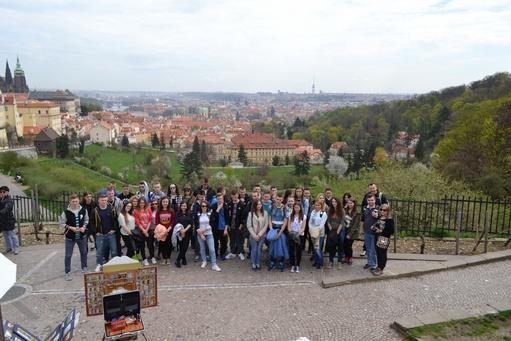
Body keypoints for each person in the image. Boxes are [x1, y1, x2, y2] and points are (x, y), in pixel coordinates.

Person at [60, 193, 89, 280]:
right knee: (68, 255)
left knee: (84, 252)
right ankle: (67, 272)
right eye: (73, 201)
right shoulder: (65, 212)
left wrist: (84, 227)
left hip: (82, 236)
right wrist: (70, 227)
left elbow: (86, 220)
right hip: (70, 237)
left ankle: (84, 267)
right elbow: (61, 223)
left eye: (76, 201)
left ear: (79, 201)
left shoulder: (84, 210)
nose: (75, 203)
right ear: (70, 201)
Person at [91, 194, 119, 272]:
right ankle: (99, 265)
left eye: (105, 200)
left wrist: (114, 229)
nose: (104, 202)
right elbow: (92, 223)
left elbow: (116, 220)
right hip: (100, 235)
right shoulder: (95, 211)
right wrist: (95, 232)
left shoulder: (112, 209)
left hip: (111, 234)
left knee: (114, 250)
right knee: (99, 251)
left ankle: (114, 265)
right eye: (102, 200)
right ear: (99, 201)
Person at [360, 183, 387, 257]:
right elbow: (363, 205)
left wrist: (379, 214)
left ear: (376, 188)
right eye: (370, 188)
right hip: (369, 220)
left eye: (373, 188)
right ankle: (366, 251)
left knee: (377, 240)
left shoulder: (381, 196)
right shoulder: (367, 195)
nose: (372, 189)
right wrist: (364, 213)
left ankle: (378, 255)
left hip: (379, 221)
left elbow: (386, 207)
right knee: (368, 238)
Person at [195, 202, 221, 271]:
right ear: (201, 207)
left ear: (207, 207)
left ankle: (214, 264)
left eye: (205, 206)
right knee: (202, 249)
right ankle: (204, 261)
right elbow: (196, 225)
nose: (204, 207)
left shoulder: (210, 214)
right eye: (202, 206)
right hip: (200, 234)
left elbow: (211, 224)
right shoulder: (198, 214)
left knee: (212, 250)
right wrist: (201, 234)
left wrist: (203, 231)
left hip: (209, 234)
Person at [268, 194, 289, 272]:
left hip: (281, 229)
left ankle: (280, 261)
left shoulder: (285, 208)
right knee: (272, 245)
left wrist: (280, 232)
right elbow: (269, 219)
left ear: (282, 200)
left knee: (281, 244)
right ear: (275, 199)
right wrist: (271, 230)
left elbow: (285, 221)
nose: (278, 201)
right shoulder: (271, 207)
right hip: (273, 228)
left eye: (280, 199)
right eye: (277, 199)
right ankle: (272, 261)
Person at [246, 199, 269, 270]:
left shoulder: (265, 213)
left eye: (260, 204)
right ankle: (253, 263)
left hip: (261, 235)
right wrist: (254, 235)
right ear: (255, 205)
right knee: (254, 249)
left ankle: (258, 263)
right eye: (257, 204)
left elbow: (266, 225)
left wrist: (259, 235)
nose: (259, 206)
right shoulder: (251, 214)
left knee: (259, 249)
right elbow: (249, 226)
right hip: (253, 235)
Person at [134, 197, 156, 266]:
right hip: (141, 230)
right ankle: (144, 259)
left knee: (150, 244)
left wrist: (146, 230)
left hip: (148, 230)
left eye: (143, 203)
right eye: (140, 203)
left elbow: (150, 220)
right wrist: (143, 230)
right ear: (138, 203)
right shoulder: (136, 211)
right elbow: (137, 222)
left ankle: (152, 257)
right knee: (142, 245)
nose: (142, 204)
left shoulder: (148, 209)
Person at [225, 190, 247, 260]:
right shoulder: (229, 204)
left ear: (238, 195)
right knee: (232, 239)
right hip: (231, 225)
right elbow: (227, 215)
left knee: (239, 239)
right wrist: (227, 224)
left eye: (235, 196)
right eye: (233, 197)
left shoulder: (242, 204)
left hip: (239, 225)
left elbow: (243, 216)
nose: (234, 198)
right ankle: (232, 252)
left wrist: (241, 224)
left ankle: (240, 252)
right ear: (231, 196)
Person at [361, 193, 379, 271]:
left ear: (375, 200)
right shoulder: (365, 208)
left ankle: (374, 265)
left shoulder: (378, 208)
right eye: (369, 200)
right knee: (368, 248)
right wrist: (362, 229)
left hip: (374, 233)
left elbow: (382, 219)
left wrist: (377, 216)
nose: (370, 201)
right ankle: (369, 262)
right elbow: (363, 219)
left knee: (373, 249)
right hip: (366, 231)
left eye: (372, 200)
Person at [287, 202, 306, 273]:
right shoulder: (290, 216)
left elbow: (303, 227)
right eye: (295, 207)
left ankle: (297, 265)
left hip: (300, 235)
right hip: (292, 235)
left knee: (298, 251)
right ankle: (292, 265)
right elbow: (288, 226)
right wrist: (291, 233)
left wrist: (298, 234)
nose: (296, 209)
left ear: (300, 208)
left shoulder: (303, 216)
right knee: (291, 250)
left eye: (298, 207)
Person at [210, 192, 229, 261]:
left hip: (223, 227)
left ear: (223, 199)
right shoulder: (213, 206)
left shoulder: (225, 206)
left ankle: (222, 254)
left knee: (223, 242)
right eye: (218, 199)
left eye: (221, 199)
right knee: (215, 242)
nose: (220, 200)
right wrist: (217, 209)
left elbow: (227, 218)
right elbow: (212, 217)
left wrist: (226, 229)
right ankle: (215, 254)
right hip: (215, 227)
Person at [0, 186, 19, 255]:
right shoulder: (1, 199)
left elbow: (8, 208)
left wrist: (1, 212)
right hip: (2, 221)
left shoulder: (9, 200)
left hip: (9, 220)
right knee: (6, 235)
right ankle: (9, 247)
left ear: (7, 192)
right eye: (1, 192)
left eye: (3, 192)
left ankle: (16, 248)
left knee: (12, 234)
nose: (2, 193)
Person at [155, 197, 175, 265]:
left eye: (166, 202)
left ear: (168, 202)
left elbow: (173, 221)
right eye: (164, 202)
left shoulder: (171, 210)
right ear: (161, 202)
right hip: (161, 231)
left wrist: (168, 229)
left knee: (168, 245)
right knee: (162, 245)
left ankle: (168, 258)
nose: (165, 203)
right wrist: (163, 231)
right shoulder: (158, 211)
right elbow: (157, 222)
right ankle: (164, 258)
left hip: (169, 230)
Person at [326, 197, 344, 269]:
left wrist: (337, 232)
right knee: (332, 246)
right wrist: (331, 230)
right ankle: (331, 260)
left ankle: (339, 261)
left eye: (335, 202)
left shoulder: (342, 211)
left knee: (340, 244)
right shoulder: (330, 210)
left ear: (338, 203)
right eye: (333, 202)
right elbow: (328, 221)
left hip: (340, 230)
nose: (334, 203)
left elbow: (342, 222)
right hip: (332, 230)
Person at [309, 201, 327, 269]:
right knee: (314, 248)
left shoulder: (323, 214)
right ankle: (316, 261)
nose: (317, 206)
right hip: (312, 231)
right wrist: (311, 228)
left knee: (318, 248)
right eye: (316, 205)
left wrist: (316, 230)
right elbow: (310, 221)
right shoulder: (313, 212)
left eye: (318, 205)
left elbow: (322, 225)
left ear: (321, 206)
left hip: (319, 233)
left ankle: (320, 262)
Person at [343, 197, 361, 265]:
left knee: (349, 245)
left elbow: (355, 225)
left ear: (354, 204)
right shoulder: (345, 210)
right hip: (345, 229)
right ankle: (346, 257)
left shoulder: (357, 212)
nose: (350, 204)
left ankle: (350, 257)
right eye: (348, 203)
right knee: (344, 244)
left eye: (351, 203)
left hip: (352, 231)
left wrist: (349, 234)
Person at [175, 201, 193, 267]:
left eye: (185, 206)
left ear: (187, 206)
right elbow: (176, 223)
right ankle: (184, 258)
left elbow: (191, 223)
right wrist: (181, 231)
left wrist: (185, 230)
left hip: (187, 232)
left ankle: (178, 260)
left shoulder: (190, 213)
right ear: (180, 206)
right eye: (182, 206)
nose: (184, 207)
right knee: (182, 247)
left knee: (185, 247)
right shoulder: (177, 214)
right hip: (179, 233)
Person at [107, 187, 124, 256]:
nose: (111, 195)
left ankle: (119, 254)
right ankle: (107, 256)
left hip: (117, 222)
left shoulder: (119, 201)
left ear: (114, 193)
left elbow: (121, 212)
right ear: (107, 194)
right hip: (108, 223)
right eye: (109, 194)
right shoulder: (105, 201)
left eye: (112, 193)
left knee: (117, 240)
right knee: (109, 241)